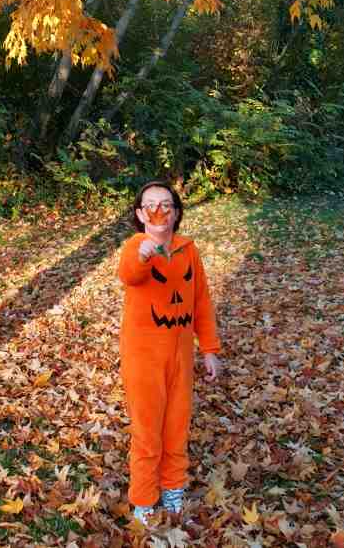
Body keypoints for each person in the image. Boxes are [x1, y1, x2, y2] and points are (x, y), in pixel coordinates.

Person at [117, 180, 221, 525]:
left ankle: (173, 487)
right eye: (150, 204)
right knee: (148, 432)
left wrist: (209, 349)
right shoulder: (135, 247)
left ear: (175, 213)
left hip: (180, 359)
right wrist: (145, 256)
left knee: (177, 426)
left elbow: (201, 301)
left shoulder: (189, 251)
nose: (158, 210)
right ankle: (144, 500)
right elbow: (129, 274)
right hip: (143, 359)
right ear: (140, 213)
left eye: (166, 204)